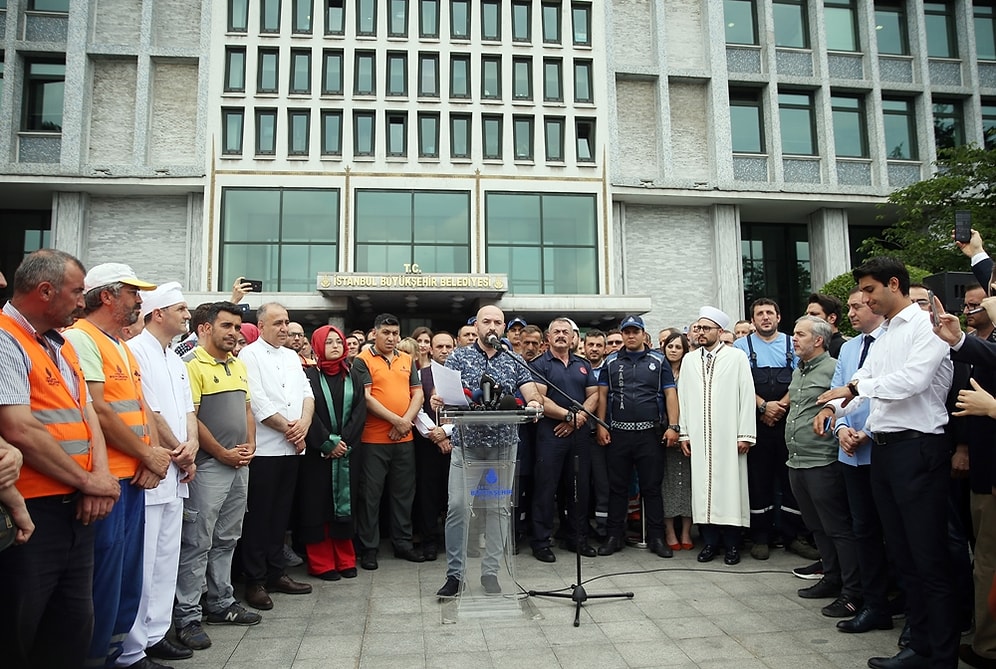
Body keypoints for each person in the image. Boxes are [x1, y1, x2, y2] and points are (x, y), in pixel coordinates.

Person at [819, 256, 956, 669]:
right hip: (885, 450)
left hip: (919, 449)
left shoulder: (925, 327)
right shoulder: (886, 333)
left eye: (870, 290)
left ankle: (943, 655)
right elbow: (863, 386)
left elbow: (909, 382)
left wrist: (855, 386)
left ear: (893, 284)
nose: (865, 298)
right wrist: (836, 410)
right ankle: (918, 643)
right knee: (902, 552)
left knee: (928, 556)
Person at [0, 250, 120, 668]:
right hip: (33, 516)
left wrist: (98, 478)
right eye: (77, 292)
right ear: (45, 291)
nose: (82, 301)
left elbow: (87, 415)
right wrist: (88, 482)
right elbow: (20, 429)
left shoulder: (62, 343)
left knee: (71, 628)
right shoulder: (4, 339)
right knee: (19, 628)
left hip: (77, 510)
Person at [63, 263, 172, 668]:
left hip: (134, 478)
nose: (139, 300)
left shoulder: (120, 345)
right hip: (110, 479)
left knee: (127, 575)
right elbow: (99, 410)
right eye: (132, 292)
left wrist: (154, 456)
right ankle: (97, 657)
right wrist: (147, 455)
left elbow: (141, 407)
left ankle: (122, 655)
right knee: (103, 577)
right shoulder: (81, 338)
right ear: (107, 296)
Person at [432, 305, 544, 597]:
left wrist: (533, 403)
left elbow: (531, 392)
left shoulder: (513, 359)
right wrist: (437, 399)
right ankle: (455, 575)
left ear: (504, 327)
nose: (492, 326)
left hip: (503, 447)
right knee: (457, 507)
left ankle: (491, 573)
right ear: (477, 326)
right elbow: (443, 394)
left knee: (497, 510)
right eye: (486, 321)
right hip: (467, 447)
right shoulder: (459, 356)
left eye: (497, 322)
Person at [173, 302, 260, 652]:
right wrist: (221, 452)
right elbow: (191, 417)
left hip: (239, 465)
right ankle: (187, 616)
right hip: (209, 466)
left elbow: (247, 410)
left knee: (227, 538)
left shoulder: (237, 364)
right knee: (197, 541)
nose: (234, 333)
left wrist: (250, 445)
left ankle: (221, 602)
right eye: (227, 326)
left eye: (237, 327)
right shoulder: (190, 365)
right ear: (204, 328)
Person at [122, 283, 200, 667]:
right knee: (145, 560)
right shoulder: (136, 352)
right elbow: (150, 412)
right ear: (158, 314)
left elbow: (187, 411)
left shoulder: (173, 357)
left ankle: (156, 635)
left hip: (176, 472)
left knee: (167, 557)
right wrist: (180, 453)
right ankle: (132, 646)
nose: (187, 316)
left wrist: (192, 447)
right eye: (182, 309)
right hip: (153, 469)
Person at [812, 286, 893, 634]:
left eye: (858, 306)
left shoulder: (891, 343)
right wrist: (841, 426)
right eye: (849, 307)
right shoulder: (847, 347)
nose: (852, 313)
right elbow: (839, 392)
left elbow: (891, 393)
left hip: (882, 451)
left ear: (876, 306)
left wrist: (869, 433)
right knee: (863, 531)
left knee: (894, 531)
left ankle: (897, 596)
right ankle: (870, 601)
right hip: (849, 454)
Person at [783, 316, 863, 619]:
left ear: (818, 340)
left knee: (837, 528)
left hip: (823, 460)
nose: (794, 339)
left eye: (799, 334)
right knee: (816, 525)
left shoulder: (832, 369)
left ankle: (851, 591)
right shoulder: (798, 370)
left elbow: (845, 406)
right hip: (797, 459)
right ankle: (830, 578)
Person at [238, 302, 315, 610]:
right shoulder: (249, 355)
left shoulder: (292, 357)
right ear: (261, 326)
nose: (285, 328)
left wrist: (305, 423)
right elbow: (256, 402)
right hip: (266, 448)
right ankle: (254, 580)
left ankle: (276, 572)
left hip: (293, 447)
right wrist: (290, 429)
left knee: (281, 515)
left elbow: (307, 393)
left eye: (287, 322)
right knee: (259, 516)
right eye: (278, 323)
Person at [733, 298, 814, 561]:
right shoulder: (740, 347)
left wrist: (779, 407)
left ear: (779, 317)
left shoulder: (793, 343)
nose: (765, 317)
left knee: (790, 481)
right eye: (760, 314)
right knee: (758, 481)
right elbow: (740, 384)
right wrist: (763, 406)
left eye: (770, 312)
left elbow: (801, 378)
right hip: (756, 425)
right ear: (752, 320)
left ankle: (793, 536)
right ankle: (760, 537)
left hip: (787, 423)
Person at [595, 315, 680, 559]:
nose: (631, 336)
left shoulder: (658, 359)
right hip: (618, 433)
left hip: (649, 434)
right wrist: (601, 425)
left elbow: (670, 394)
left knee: (652, 488)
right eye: (627, 332)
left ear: (644, 334)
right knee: (617, 488)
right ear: (622, 335)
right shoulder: (610, 361)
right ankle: (614, 536)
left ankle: (656, 537)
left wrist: (673, 426)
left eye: (636, 331)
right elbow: (603, 395)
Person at [678, 307, 754, 566]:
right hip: (699, 436)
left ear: (720, 332)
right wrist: (684, 433)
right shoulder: (689, 360)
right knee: (703, 490)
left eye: (706, 328)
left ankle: (732, 545)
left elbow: (746, 396)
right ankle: (709, 542)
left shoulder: (737, 357)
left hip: (729, 435)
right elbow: (683, 399)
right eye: (697, 328)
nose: (700, 332)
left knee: (730, 489)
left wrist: (745, 434)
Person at [352, 313, 425, 569]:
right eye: (386, 333)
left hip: (403, 440)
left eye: (395, 333)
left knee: (404, 494)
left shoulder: (407, 359)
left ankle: (402, 543)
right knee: (370, 496)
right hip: (373, 440)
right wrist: (398, 421)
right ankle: (369, 548)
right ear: (375, 333)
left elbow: (418, 394)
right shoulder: (362, 360)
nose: (391, 338)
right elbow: (367, 398)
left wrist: (404, 422)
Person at [299, 325, 366, 581]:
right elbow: (308, 413)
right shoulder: (308, 377)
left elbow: (360, 412)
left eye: (338, 341)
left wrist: (344, 442)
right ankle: (321, 562)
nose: (336, 346)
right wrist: (327, 442)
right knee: (318, 504)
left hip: (347, 452)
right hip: (319, 454)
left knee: (345, 504)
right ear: (317, 347)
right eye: (328, 342)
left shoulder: (353, 376)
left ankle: (346, 558)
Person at [529, 317, 599, 561]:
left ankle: (577, 539)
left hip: (578, 434)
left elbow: (593, 396)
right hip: (551, 433)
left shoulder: (583, 364)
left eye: (565, 332)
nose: (561, 335)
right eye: (556, 331)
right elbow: (540, 398)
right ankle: (541, 542)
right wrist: (568, 416)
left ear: (573, 338)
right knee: (546, 488)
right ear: (548, 338)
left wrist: (578, 419)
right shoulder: (539, 364)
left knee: (579, 488)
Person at [412, 331, 456, 561]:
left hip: (457, 444)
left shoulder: (462, 374)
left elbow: (467, 408)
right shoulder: (420, 374)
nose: (444, 350)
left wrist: (447, 432)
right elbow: (416, 410)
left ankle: (454, 542)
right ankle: (429, 541)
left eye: (449, 346)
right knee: (428, 495)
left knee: (453, 496)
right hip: (428, 443)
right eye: (439, 346)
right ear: (431, 349)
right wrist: (437, 435)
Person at [661, 332, 693, 551]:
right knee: (667, 482)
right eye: (669, 346)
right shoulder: (658, 371)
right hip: (663, 432)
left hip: (689, 433)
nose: (673, 350)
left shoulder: (692, 372)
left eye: (678, 347)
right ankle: (670, 531)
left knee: (689, 482)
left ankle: (686, 532)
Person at [806, 293, 848, 358]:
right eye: (807, 314)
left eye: (814, 314)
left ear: (832, 318)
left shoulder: (844, 348)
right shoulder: (809, 345)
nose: (807, 318)